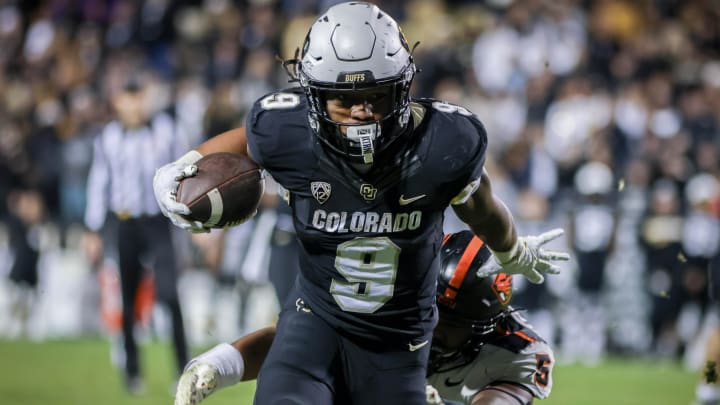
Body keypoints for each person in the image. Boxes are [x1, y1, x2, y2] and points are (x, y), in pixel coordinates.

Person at [153, 2, 568, 403]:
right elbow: (245, 141)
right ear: (312, 97)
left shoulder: (444, 144)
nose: (362, 112)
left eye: (377, 95)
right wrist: (184, 164)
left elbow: (480, 205)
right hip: (315, 322)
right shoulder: (287, 129)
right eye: (344, 99)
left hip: (399, 343)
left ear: (403, 87)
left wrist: (512, 250)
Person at [173, 230, 555, 405]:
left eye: (449, 324)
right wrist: (220, 365)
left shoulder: (520, 354)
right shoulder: (389, 294)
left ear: (482, 330)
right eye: (430, 311)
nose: (432, 327)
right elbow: (298, 340)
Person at [84, 77, 190, 394]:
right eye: (128, 98)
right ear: (118, 102)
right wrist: (92, 229)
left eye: (139, 98)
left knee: (170, 295)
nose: (134, 105)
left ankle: (183, 369)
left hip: (158, 221)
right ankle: (132, 373)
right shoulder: (108, 137)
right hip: (125, 222)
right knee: (127, 300)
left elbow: (186, 171)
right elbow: (98, 182)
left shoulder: (168, 131)